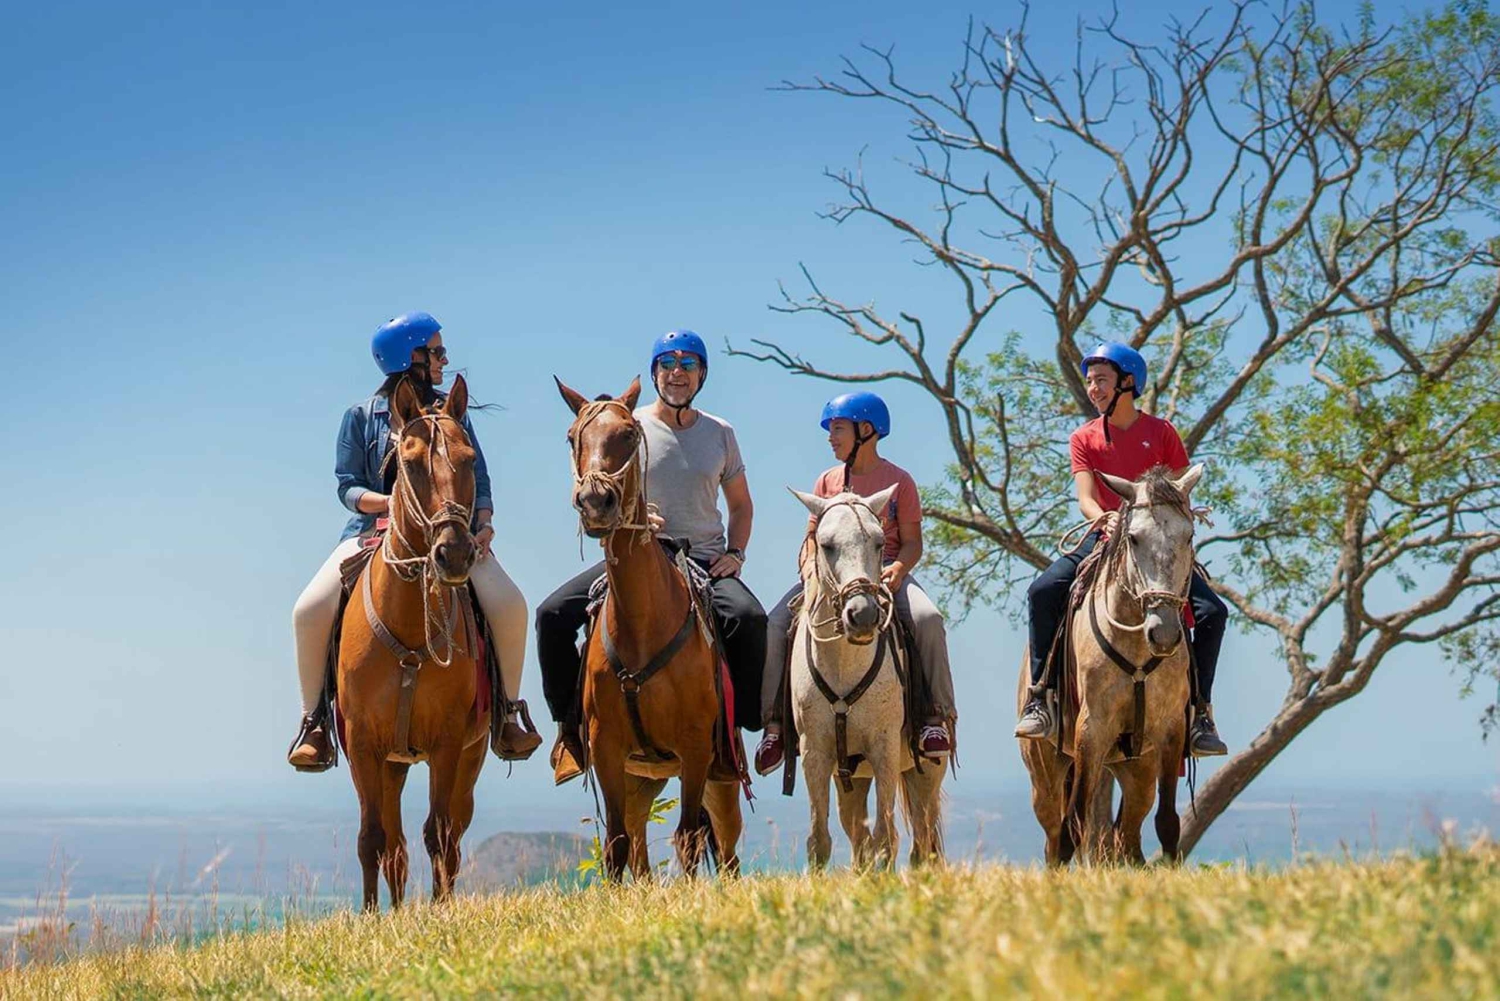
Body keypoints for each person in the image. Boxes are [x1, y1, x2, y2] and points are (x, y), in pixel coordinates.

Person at [286, 311, 541, 770]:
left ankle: (509, 712)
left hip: (453, 534)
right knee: (309, 609)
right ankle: (315, 722)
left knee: (510, 604)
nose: (444, 359)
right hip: (374, 534)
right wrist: (388, 504)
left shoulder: (452, 413)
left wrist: (483, 520)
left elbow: (477, 476)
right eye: (436, 351)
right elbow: (346, 485)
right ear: (411, 358)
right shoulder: (361, 417)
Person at [535, 330, 768, 784]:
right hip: (641, 552)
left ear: (702, 374)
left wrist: (735, 554)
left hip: (702, 559)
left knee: (749, 618)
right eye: (667, 363)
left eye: (688, 364)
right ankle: (569, 731)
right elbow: (606, 485)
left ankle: (734, 734)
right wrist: (637, 516)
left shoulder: (721, 433)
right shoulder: (628, 426)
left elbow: (741, 505)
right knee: (552, 614)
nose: (677, 373)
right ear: (655, 371)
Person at [1014, 341, 1228, 756]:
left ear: (1127, 383)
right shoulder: (1084, 437)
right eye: (1090, 381)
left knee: (1213, 612)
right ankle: (1040, 698)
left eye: (1102, 380)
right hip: (1106, 535)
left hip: (1157, 545)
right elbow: (1086, 497)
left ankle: (1200, 713)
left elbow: (1180, 490)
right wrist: (1104, 518)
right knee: (1043, 591)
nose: (1093, 388)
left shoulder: (1162, 432)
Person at [753, 391, 956, 777]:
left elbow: (912, 542)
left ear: (866, 431)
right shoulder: (826, 482)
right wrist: (810, 571)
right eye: (830, 430)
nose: (831, 437)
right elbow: (811, 539)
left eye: (838, 429)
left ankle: (934, 716)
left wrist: (897, 570)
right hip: (829, 578)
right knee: (776, 623)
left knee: (928, 618)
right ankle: (775, 726)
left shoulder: (900, 482)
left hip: (883, 575)